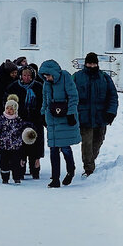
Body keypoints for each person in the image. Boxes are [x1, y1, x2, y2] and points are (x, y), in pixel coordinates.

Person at [73, 52, 119, 177]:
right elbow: (71, 96)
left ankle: (90, 161)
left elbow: (112, 95)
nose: (92, 66)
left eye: (94, 63)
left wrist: (111, 112)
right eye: (89, 63)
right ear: (85, 63)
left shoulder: (104, 77)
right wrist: (73, 113)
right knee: (87, 142)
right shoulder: (77, 77)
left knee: (98, 141)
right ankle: (88, 168)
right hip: (84, 117)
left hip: (101, 116)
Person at [39, 58, 79, 188]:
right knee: (53, 149)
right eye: (45, 76)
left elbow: (73, 96)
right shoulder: (46, 83)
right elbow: (45, 100)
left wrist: (71, 113)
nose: (47, 78)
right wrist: (42, 114)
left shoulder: (66, 78)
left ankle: (70, 170)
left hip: (65, 117)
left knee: (65, 148)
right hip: (52, 118)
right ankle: (55, 178)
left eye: (49, 75)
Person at [7, 64, 45, 178]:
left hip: (36, 120)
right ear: (21, 76)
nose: (27, 77)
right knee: (20, 146)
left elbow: (44, 103)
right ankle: (20, 169)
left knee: (35, 144)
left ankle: (35, 169)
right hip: (19, 121)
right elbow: (8, 102)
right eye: (24, 75)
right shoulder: (14, 87)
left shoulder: (39, 87)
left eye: (29, 75)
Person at [0, 93, 27, 184]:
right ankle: (5, 178)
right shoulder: (1, 119)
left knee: (16, 163)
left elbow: (23, 129)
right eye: (7, 108)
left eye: (11, 109)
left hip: (15, 146)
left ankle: (17, 177)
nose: (9, 110)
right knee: (4, 163)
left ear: (15, 110)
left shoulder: (18, 120)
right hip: (4, 146)